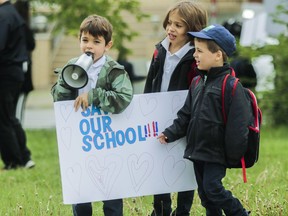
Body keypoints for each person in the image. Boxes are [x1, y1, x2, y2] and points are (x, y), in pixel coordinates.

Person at [157, 24, 251, 216]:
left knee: (213, 189)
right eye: (195, 50)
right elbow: (185, 115)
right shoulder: (197, 82)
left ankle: (240, 213)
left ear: (218, 55)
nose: (195, 55)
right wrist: (170, 133)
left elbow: (239, 126)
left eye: (200, 51)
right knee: (205, 195)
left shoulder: (232, 86)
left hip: (217, 153)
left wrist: (232, 154)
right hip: (198, 151)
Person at [51, 14, 133, 216]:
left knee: (111, 187)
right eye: (85, 40)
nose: (89, 46)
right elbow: (58, 98)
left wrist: (94, 96)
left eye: (96, 42)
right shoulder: (72, 65)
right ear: (79, 41)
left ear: (107, 45)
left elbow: (123, 97)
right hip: (82, 137)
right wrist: (65, 80)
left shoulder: (113, 70)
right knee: (81, 189)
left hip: (107, 138)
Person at [143, 1, 207, 215]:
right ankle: (160, 210)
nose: (171, 29)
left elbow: (197, 90)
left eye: (178, 25)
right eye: (170, 23)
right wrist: (145, 109)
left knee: (184, 165)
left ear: (192, 29)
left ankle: (183, 210)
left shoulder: (195, 57)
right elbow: (150, 83)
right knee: (160, 162)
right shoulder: (159, 51)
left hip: (187, 119)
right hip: (160, 116)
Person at [0, 0, 35, 170]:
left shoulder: (3, 15)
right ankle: (24, 157)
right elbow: (31, 43)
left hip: (5, 73)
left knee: (4, 119)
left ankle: (13, 161)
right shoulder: (15, 14)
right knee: (10, 117)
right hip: (16, 72)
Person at [14, 0, 36, 123]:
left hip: (15, 75)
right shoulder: (24, 27)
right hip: (22, 77)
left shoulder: (13, 25)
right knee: (16, 114)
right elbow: (32, 45)